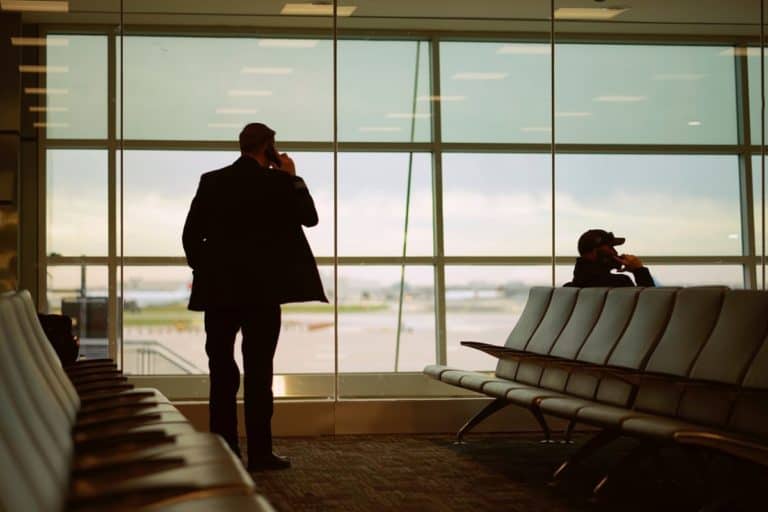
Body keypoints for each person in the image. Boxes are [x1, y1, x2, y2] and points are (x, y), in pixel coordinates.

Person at [182, 122, 327, 471]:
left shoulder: (212, 180)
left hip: (219, 294)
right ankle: (260, 453)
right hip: (263, 294)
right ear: (269, 148)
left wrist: (208, 271)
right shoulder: (279, 183)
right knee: (259, 373)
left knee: (221, 372)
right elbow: (311, 218)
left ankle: (225, 452)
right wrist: (293, 176)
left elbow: (190, 236)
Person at [565, 229, 655, 287]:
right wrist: (639, 270)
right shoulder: (620, 283)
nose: (615, 252)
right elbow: (651, 307)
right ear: (594, 252)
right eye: (611, 247)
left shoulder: (570, 287)